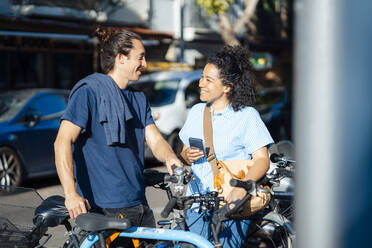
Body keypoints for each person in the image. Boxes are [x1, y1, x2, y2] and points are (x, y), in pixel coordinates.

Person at [54, 27, 182, 244]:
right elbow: (62, 142)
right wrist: (71, 194)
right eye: (140, 57)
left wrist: (170, 158)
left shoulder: (139, 99)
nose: (145, 64)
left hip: (139, 202)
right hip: (105, 207)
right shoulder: (89, 91)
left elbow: (155, 139)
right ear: (121, 58)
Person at [179, 45, 274, 247]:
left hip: (230, 204)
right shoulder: (197, 111)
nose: (201, 83)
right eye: (202, 77)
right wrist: (187, 155)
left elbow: (262, 160)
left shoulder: (246, 116)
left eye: (208, 79)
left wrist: (242, 189)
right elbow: (183, 153)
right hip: (196, 205)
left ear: (227, 87)